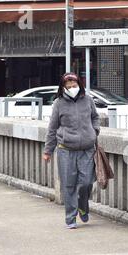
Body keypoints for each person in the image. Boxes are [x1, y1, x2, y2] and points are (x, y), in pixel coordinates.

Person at [43, 72, 100, 229]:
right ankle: (71, 217)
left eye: (74, 86)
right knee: (69, 185)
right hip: (65, 150)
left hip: (87, 149)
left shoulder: (88, 100)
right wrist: (48, 151)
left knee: (87, 182)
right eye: (68, 87)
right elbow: (52, 128)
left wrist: (94, 131)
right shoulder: (59, 103)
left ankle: (83, 206)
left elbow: (95, 117)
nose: (71, 89)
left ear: (79, 85)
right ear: (63, 88)